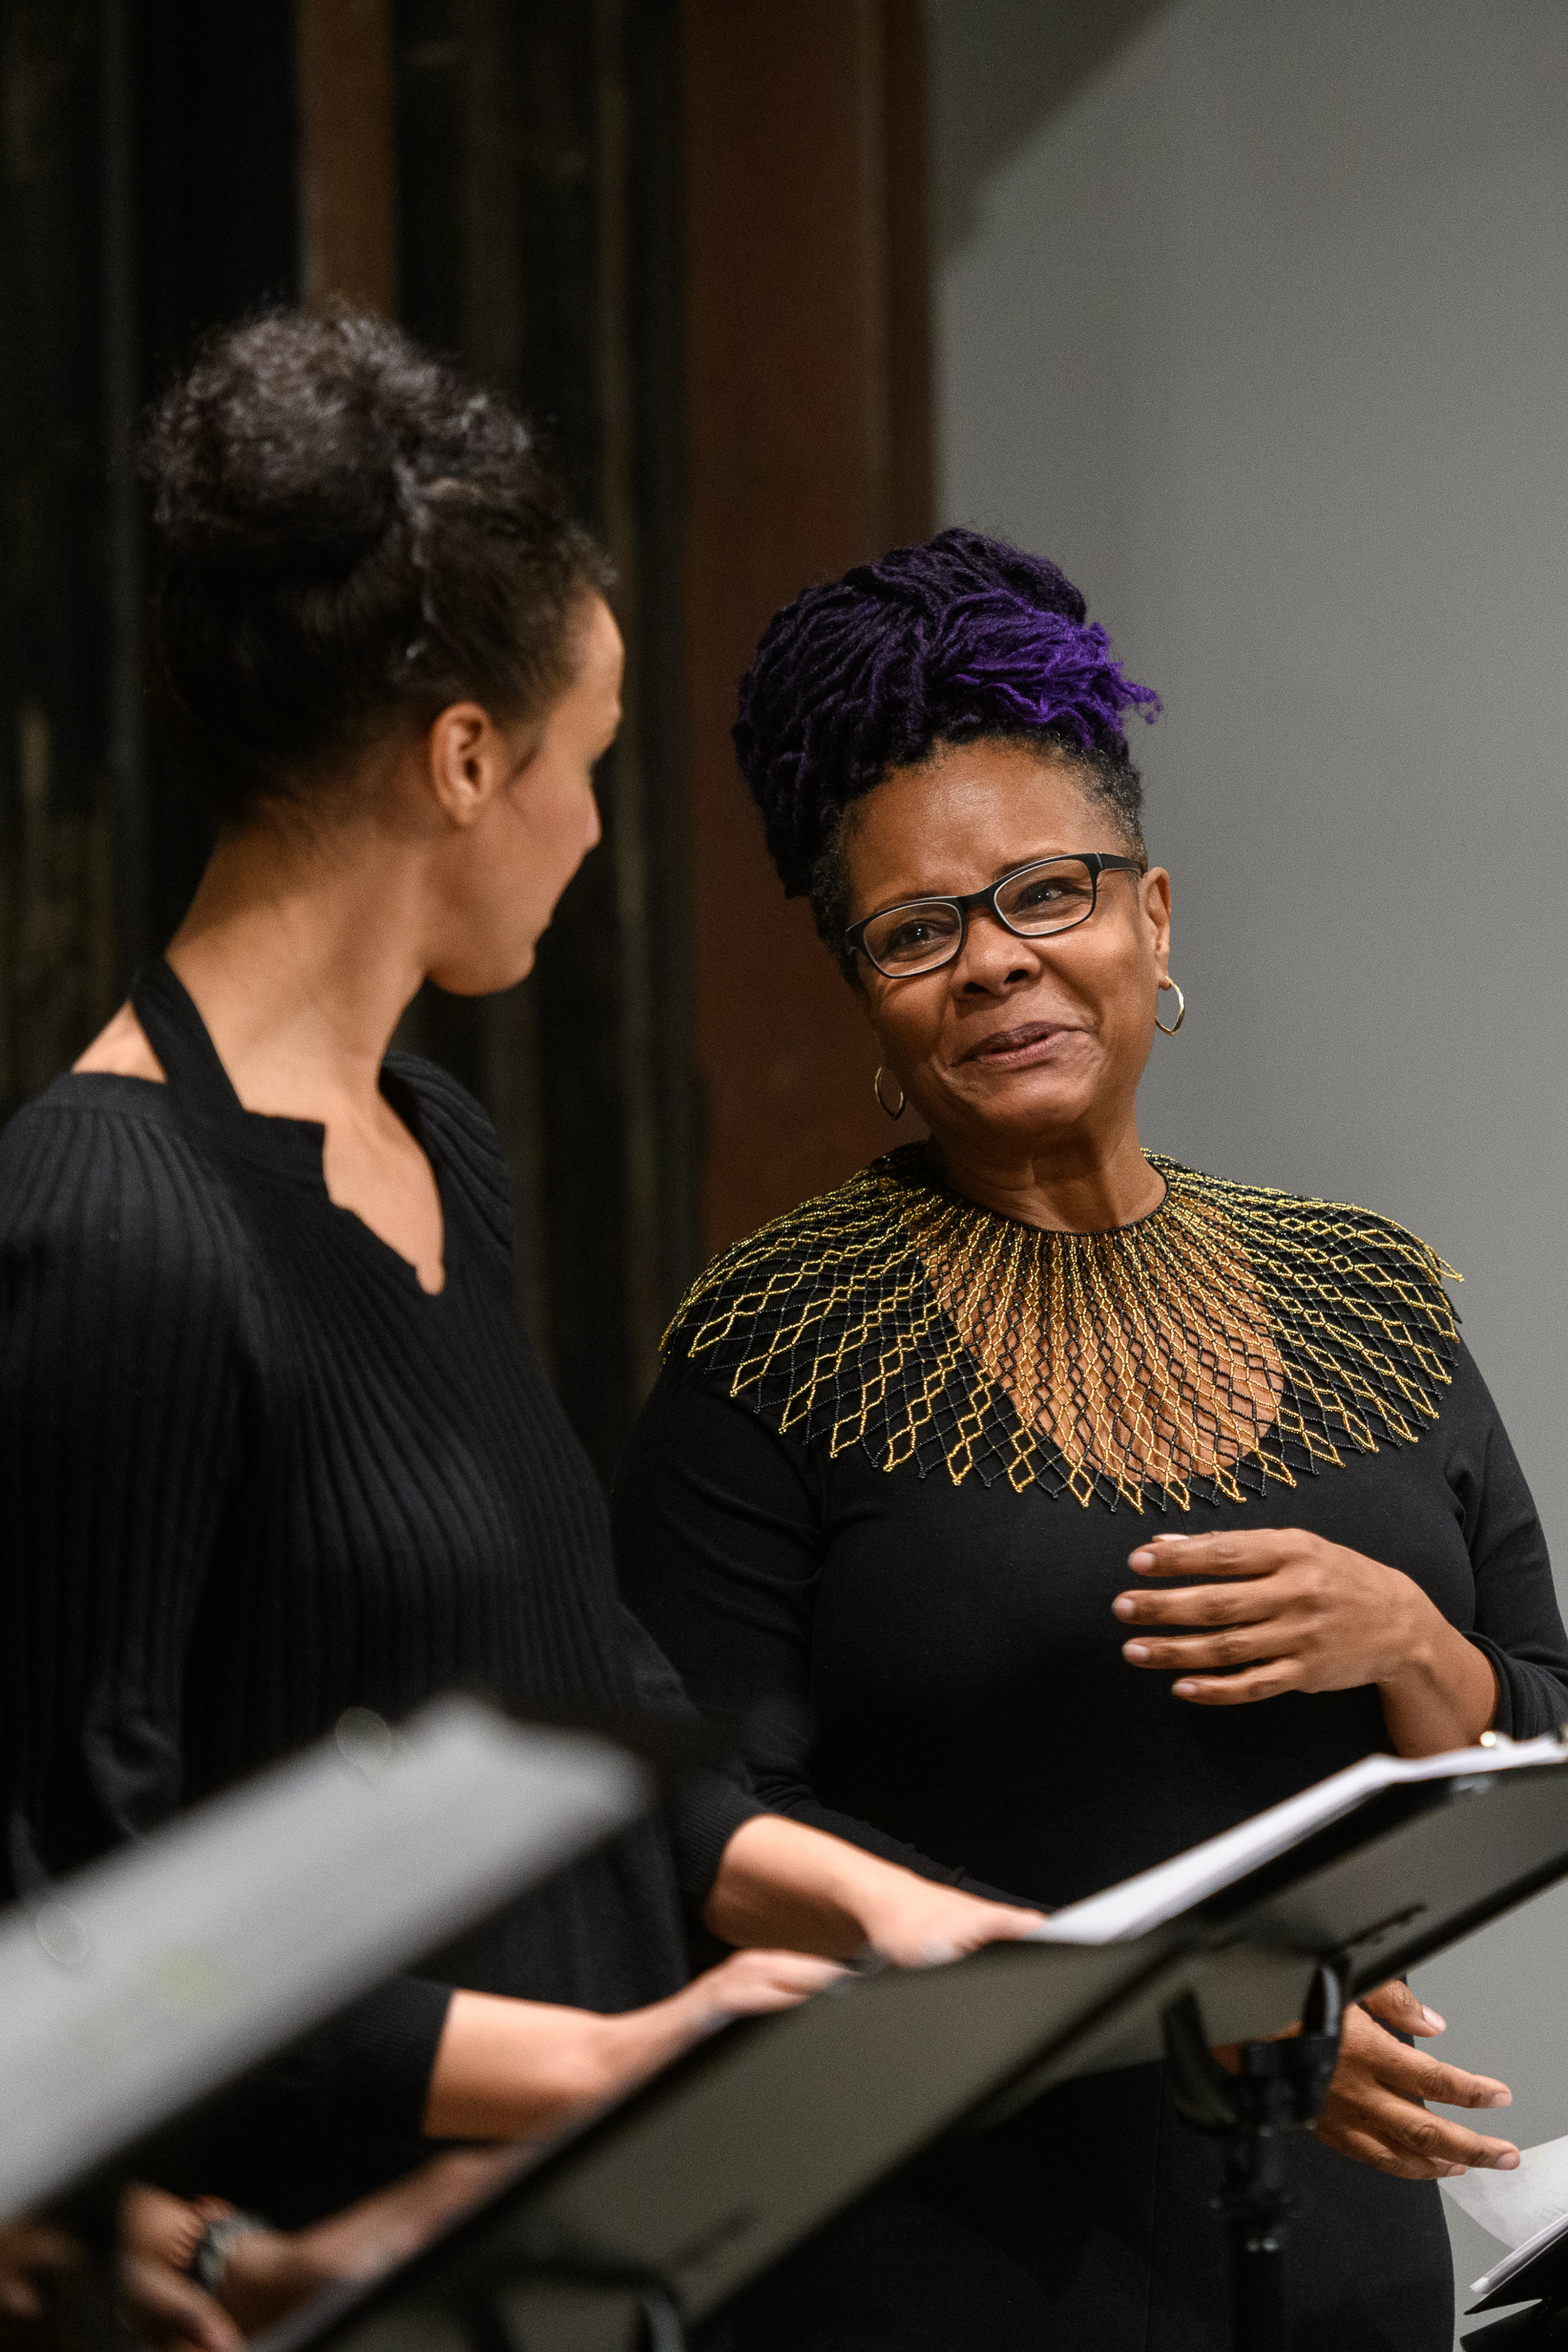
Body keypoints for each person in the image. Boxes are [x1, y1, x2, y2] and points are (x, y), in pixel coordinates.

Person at [0, 326, 1043, 2235]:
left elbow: (583, 1711)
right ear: (466, 756)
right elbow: (85, 1947)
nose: (592, 827)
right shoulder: (108, 1210)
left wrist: (886, 1900)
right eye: (589, 760)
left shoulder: (440, 1143)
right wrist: (607, 2055)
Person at [613, 528, 1568, 2350]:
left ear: (1153, 914)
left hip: (1341, 2255)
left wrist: (1416, 1648)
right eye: (916, 930)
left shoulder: (1375, 1296)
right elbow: (687, 1838)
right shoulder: (771, 1348)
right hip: (953, 2264)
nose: (994, 962)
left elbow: (1540, 1728)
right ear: (872, 1003)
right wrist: (1171, 1996)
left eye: (1047, 892)